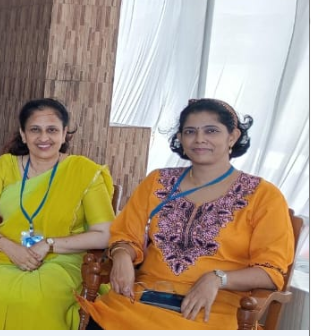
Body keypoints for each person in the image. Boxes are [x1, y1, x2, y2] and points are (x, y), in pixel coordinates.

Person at [80, 99, 294, 330]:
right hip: (144, 296)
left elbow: (270, 272)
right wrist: (121, 256)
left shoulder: (264, 196)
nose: (199, 139)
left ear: (232, 136)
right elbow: (126, 235)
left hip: (215, 304)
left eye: (211, 131)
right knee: (105, 318)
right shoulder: (158, 181)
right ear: (180, 138)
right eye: (190, 131)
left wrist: (217, 278)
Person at [0, 98, 114, 330]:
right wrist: (8, 247)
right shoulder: (6, 166)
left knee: (34, 298)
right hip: (5, 255)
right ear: (23, 134)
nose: (43, 138)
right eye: (35, 130)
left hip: (62, 259)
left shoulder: (85, 171)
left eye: (52, 130)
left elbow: (105, 233)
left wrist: (49, 244)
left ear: (64, 133)